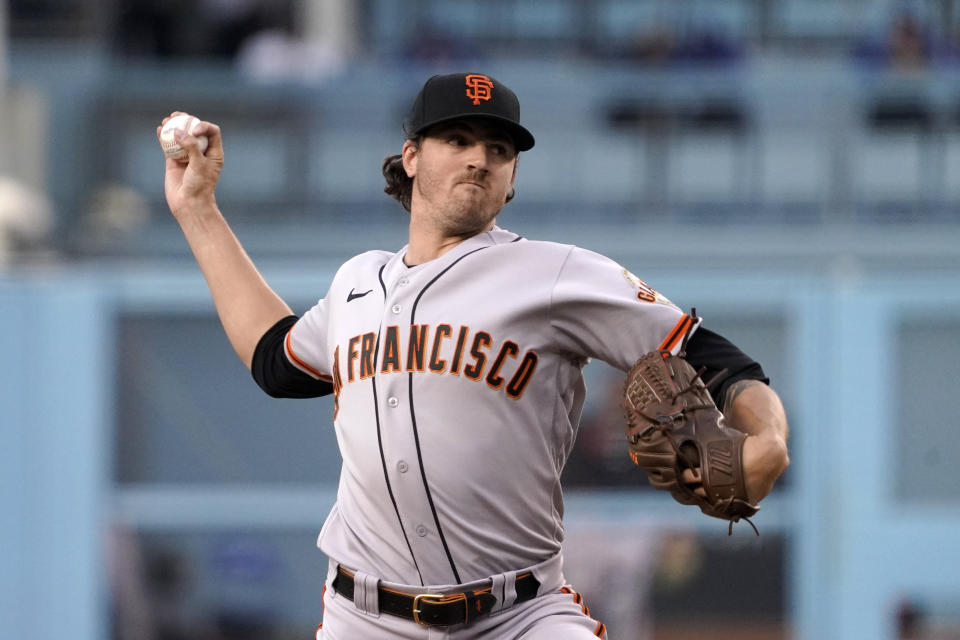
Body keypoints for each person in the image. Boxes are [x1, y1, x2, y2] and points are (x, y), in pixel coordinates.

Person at [158, 72, 790, 639]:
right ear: (410, 158)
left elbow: (710, 354)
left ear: (513, 179)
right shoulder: (356, 282)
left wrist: (768, 437)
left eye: (499, 149)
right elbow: (276, 360)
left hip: (518, 615)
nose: (479, 159)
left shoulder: (554, 273)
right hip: (365, 618)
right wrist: (198, 210)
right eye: (456, 139)